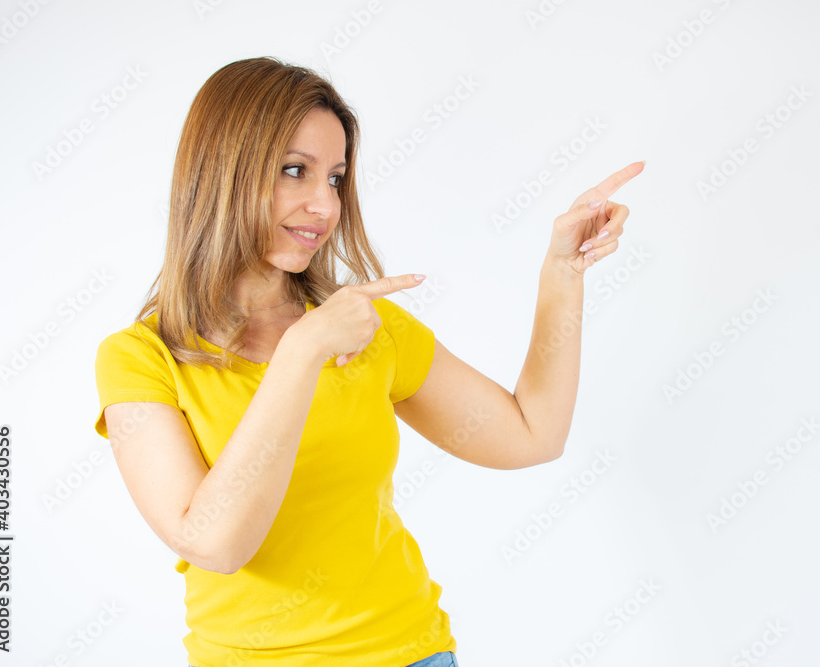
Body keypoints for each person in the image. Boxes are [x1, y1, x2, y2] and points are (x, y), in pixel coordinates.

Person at [92, 55, 642, 667]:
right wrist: (301, 352)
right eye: (294, 171)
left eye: (334, 178)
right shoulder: (140, 359)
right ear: (222, 172)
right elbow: (216, 544)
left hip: (411, 653)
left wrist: (562, 273)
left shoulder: (368, 326)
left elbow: (531, 436)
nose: (325, 207)